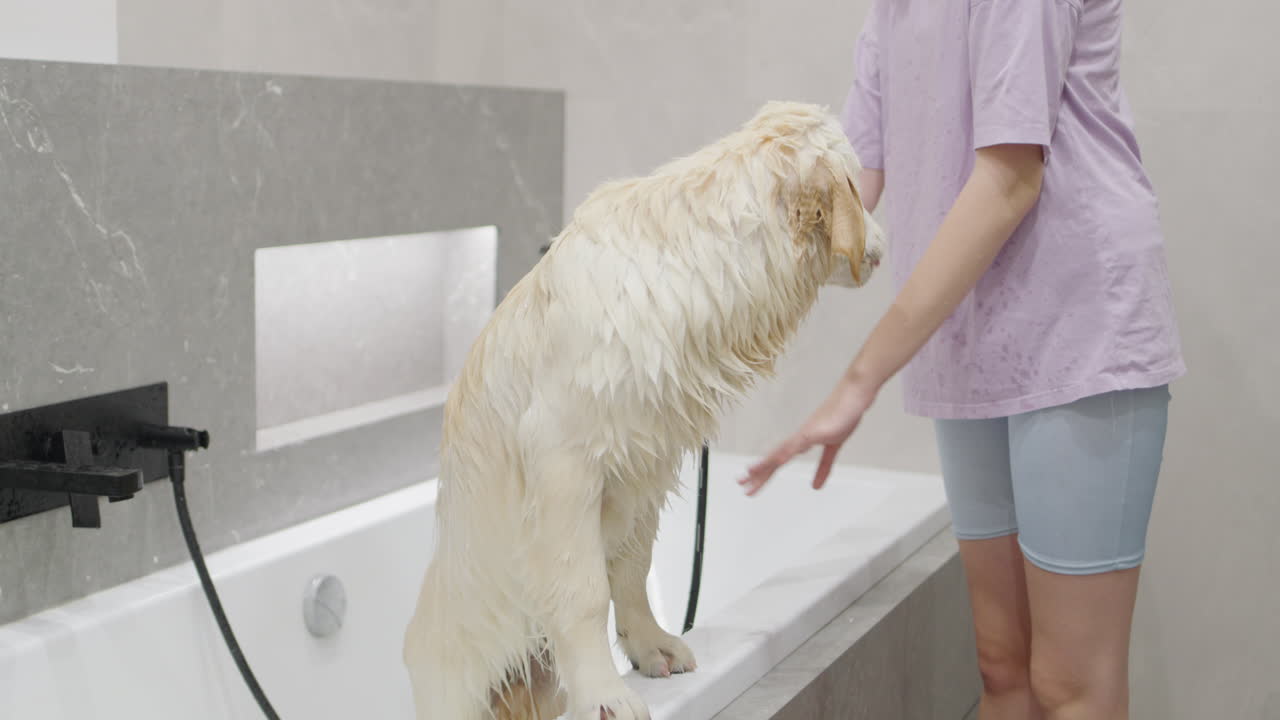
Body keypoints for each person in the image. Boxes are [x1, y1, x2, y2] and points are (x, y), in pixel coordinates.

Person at [737, 1, 1185, 718]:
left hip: (1077, 330)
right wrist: (705, 292)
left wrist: (860, 380)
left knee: (1070, 684)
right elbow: (855, 180)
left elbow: (1010, 181)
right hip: (970, 339)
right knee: (1002, 665)